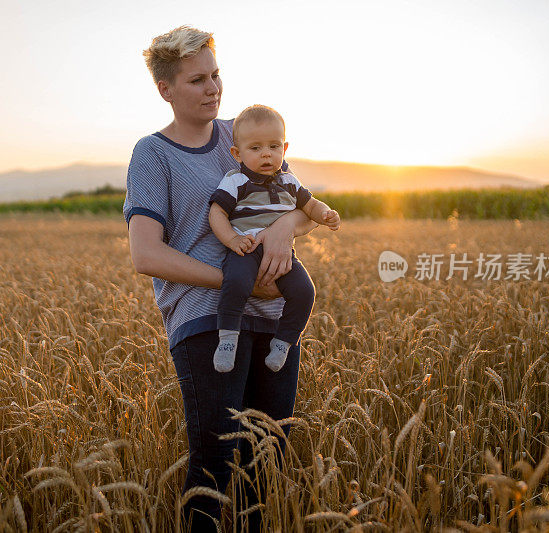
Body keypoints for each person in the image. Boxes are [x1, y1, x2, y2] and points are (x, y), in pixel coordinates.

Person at [123, 26, 340, 531]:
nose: (213, 88)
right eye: (197, 80)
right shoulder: (152, 155)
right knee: (215, 464)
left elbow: (296, 201)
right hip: (204, 320)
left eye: (216, 75)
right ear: (166, 90)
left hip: (272, 317)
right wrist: (234, 283)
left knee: (267, 461)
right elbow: (145, 253)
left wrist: (287, 227)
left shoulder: (241, 135)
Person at [208, 104, 340, 374]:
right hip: (247, 247)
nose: (266, 154)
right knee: (235, 283)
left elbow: (310, 205)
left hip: (282, 255)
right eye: (255, 148)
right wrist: (232, 240)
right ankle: (228, 338)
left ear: (285, 149)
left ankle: (284, 342)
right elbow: (217, 213)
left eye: (273, 146)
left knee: (305, 292)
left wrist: (325, 213)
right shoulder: (236, 181)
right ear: (237, 154)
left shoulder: (290, 181)